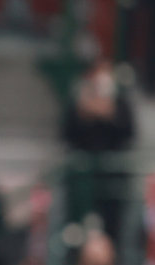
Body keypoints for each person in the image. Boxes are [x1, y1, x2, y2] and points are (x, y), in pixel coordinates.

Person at [61, 58, 136, 247]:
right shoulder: (79, 103)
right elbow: (67, 134)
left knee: (113, 225)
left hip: (112, 176)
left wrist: (110, 113)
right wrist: (85, 113)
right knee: (78, 225)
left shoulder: (121, 103)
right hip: (83, 175)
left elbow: (129, 133)